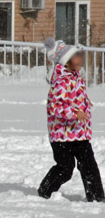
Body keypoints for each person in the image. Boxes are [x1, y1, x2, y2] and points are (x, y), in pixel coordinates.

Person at [38, 37, 104, 202]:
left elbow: (76, 98)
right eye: (76, 57)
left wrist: (86, 104)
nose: (80, 59)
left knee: (89, 164)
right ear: (66, 62)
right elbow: (55, 107)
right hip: (62, 135)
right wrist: (74, 113)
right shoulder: (60, 82)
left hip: (79, 132)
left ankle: (96, 196)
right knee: (65, 168)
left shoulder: (77, 79)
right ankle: (45, 191)